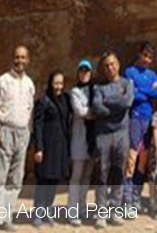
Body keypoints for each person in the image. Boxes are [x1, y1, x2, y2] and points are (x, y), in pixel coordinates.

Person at [0, 45, 35, 233]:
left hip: (23, 133)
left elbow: (29, 110)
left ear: (28, 60)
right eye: (17, 57)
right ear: (12, 58)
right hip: (5, 131)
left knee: (16, 179)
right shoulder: (2, 81)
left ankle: (5, 217)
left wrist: (29, 132)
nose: (20, 61)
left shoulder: (29, 83)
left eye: (23, 57)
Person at [91, 51, 135, 229]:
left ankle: (115, 210)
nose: (110, 68)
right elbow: (96, 107)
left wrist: (107, 102)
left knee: (118, 172)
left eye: (113, 64)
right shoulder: (98, 87)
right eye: (106, 65)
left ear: (118, 64)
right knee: (102, 173)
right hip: (103, 134)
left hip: (122, 134)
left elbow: (127, 103)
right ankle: (101, 213)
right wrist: (115, 104)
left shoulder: (127, 83)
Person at [123, 42, 157, 210]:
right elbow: (132, 95)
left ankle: (136, 196)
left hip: (148, 119)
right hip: (135, 118)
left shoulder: (152, 74)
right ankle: (127, 199)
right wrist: (147, 91)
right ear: (139, 54)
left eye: (150, 57)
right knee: (131, 159)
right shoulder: (130, 71)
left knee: (142, 162)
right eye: (145, 55)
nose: (147, 60)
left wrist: (142, 90)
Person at [32, 70, 72, 228]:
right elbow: (38, 125)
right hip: (47, 145)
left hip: (60, 145)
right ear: (50, 83)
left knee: (54, 179)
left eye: (61, 83)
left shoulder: (65, 99)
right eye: (56, 83)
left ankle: (48, 210)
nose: (58, 86)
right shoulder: (43, 101)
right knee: (43, 179)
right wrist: (39, 148)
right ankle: (38, 214)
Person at [68, 59, 95, 227]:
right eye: (81, 71)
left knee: (87, 176)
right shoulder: (75, 91)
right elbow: (81, 111)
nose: (84, 74)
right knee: (76, 176)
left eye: (87, 71)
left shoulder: (95, 90)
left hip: (92, 139)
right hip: (79, 138)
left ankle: (82, 207)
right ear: (78, 73)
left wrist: (93, 112)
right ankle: (73, 211)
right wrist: (96, 111)